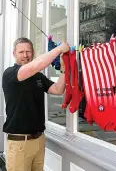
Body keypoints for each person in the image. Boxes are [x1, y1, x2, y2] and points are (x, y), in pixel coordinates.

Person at [2, 37, 69, 171]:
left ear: (32, 53)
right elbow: (37, 64)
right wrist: (59, 49)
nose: (25, 55)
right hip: (19, 143)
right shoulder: (10, 74)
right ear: (14, 54)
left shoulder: (38, 76)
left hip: (39, 140)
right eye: (21, 52)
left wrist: (63, 69)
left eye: (28, 51)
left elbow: (58, 89)